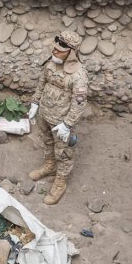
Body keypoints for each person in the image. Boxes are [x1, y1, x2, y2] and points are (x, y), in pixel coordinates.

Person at [27, 29, 88, 205]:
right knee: (47, 142)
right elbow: (41, 84)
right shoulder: (51, 64)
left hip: (61, 121)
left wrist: (67, 124)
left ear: (70, 53)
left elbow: (79, 103)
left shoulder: (78, 75)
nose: (54, 52)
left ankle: (60, 180)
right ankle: (49, 165)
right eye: (54, 48)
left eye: (59, 50)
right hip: (45, 114)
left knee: (63, 151)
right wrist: (35, 104)